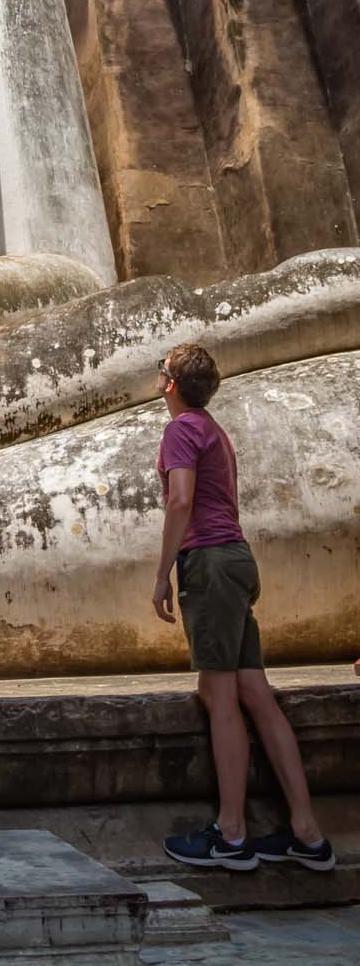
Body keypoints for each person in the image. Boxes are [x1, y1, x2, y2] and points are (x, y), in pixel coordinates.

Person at [153, 343, 335, 872]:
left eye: (160, 371)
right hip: (236, 558)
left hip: (209, 562)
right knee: (255, 690)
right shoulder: (214, 430)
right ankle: (307, 833)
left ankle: (231, 835)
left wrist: (162, 572)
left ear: (169, 385)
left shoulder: (181, 430)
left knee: (219, 692)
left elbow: (181, 500)